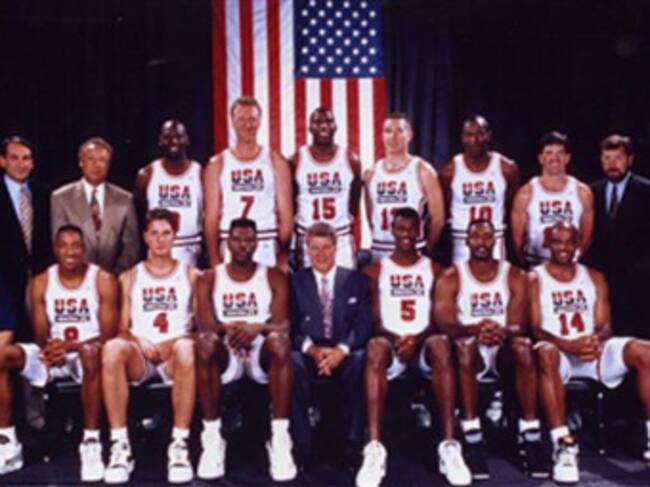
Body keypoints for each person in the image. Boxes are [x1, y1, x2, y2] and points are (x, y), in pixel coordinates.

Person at [356, 207, 471, 487]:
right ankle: (374, 448)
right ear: (392, 230)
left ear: (419, 231)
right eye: (400, 228)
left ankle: (449, 446)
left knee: (441, 344)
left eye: (411, 229)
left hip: (423, 345)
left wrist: (416, 339)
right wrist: (397, 339)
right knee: (375, 348)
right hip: (390, 344)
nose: (406, 234)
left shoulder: (435, 269)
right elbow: (373, 321)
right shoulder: (375, 270)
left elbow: (440, 320)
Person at [530, 222, 650, 484]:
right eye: (557, 241)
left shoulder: (594, 276)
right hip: (559, 353)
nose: (564, 247)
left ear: (578, 244)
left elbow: (605, 325)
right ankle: (563, 446)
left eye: (569, 241)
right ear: (548, 244)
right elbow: (536, 329)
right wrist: (569, 346)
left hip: (591, 351)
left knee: (644, 351)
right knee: (545, 352)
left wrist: (596, 340)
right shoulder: (535, 278)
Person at [0, 225, 118, 481]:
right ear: (55, 250)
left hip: (88, 354)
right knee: (3, 356)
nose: (70, 252)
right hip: (54, 354)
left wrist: (71, 348)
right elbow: (41, 334)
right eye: (63, 246)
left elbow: (109, 337)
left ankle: (91, 442)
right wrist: (52, 350)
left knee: (90, 353)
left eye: (76, 246)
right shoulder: (41, 281)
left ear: (84, 249)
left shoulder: (103, 280)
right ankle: (7, 443)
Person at [434, 219, 546, 480]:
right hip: (470, 352)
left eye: (486, 237)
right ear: (466, 240)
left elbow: (520, 325)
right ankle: (472, 433)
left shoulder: (514, 275)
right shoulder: (451, 276)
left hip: (503, 350)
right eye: (475, 237)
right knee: (464, 347)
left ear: (495, 240)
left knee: (523, 346)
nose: (481, 242)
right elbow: (445, 324)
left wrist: (502, 332)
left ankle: (530, 432)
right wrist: (475, 330)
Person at [101, 209, 199, 484]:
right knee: (112, 349)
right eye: (154, 233)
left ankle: (179, 446)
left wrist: (172, 342)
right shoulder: (130, 277)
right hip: (141, 357)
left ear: (175, 236)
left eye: (166, 233)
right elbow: (121, 328)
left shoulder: (192, 275)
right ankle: (120, 446)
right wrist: (138, 341)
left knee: (187, 349)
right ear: (145, 237)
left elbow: (199, 331)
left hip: (175, 358)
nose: (160, 239)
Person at [195, 218, 296, 482]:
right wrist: (227, 328)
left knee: (280, 343)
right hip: (226, 351)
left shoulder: (273, 276)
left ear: (257, 243)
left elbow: (283, 325)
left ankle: (280, 437)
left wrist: (257, 327)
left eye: (249, 240)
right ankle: (212, 437)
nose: (243, 245)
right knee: (204, 344)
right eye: (237, 239)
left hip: (260, 351)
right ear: (227, 242)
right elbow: (205, 326)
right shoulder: (209, 278)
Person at [290, 222, 372, 468]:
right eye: (314, 248)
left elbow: (363, 324)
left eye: (326, 247)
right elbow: (290, 325)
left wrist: (341, 351)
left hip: (344, 352)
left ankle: (353, 443)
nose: (321, 254)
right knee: (292, 362)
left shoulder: (357, 280)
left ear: (336, 248)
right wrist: (312, 350)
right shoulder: (294, 282)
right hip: (309, 352)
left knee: (360, 360)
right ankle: (302, 444)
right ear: (307, 250)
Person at [203, 97, 293, 269]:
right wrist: (214, 259)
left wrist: (283, 258)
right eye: (241, 119)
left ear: (260, 121)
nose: (247, 125)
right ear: (232, 122)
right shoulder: (217, 163)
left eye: (252, 119)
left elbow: (286, 216)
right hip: (230, 243)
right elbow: (211, 218)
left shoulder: (276, 161)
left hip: (266, 241)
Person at [584, 134, 650, 338]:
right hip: (602, 278)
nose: (612, 164)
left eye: (618, 158)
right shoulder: (590, 192)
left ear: (630, 160)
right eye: (607, 158)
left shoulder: (646, 191)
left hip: (639, 279)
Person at [51, 137, 140, 275]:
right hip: (76, 278)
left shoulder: (125, 199)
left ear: (108, 164)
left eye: (102, 160)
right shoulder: (61, 198)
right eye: (90, 159)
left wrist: (112, 277)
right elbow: (60, 245)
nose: (96, 165)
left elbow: (131, 246)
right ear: (81, 162)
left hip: (115, 278)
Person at [364, 113, 445, 260]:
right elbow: (371, 218)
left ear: (409, 135)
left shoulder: (423, 170)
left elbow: (438, 219)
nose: (393, 137)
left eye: (399, 131)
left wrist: (424, 246)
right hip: (380, 251)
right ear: (382, 135)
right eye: (388, 131)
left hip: (412, 251)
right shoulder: (371, 173)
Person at [439, 115, 519, 262]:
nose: (474, 140)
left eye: (480, 134)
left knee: (496, 277)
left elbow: (510, 201)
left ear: (488, 135)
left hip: (493, 238)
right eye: (469, 134)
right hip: (461, 239)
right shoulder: (450, 170)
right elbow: (444, 203)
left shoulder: (506, 168)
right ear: (462, 137)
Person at [290, 107, 362, 269]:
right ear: (309, 127)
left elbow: (355, 199)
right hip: (308, 237)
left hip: (339, 236)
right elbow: (291, 200)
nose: (323, 126)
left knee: (344, 283)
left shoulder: (351, 160)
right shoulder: (297, 160)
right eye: (317, 122)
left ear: (335, 126)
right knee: (309, 284)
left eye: (329, 121)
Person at [511, 131, 594, 267]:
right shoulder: (525, 193)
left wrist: (572, 261)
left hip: (571, 265)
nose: (555, 158)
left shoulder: (582, 192)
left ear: (567, 158)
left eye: (560, 153)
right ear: (541, 158)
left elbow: (586, 237)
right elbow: (517, 240)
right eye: (549, 153)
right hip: (536, 264)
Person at [0, 136, 52, 340]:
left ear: (32, 163)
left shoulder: (45, 194)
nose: (21, 164)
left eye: (26, 158)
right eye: (14, 158)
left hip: (39, 280)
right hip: (4, 283)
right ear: (2, 161)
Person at [135, 120, 204, 266]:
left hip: (190, 247)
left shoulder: (200, 173)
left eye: (179, 136)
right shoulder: (147, 174)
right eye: (168, 137)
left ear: (187, 140)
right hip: (157, 247)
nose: (174, 141)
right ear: (160, 141)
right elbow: (139, 213)